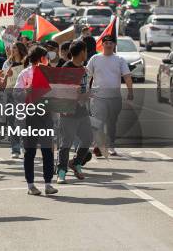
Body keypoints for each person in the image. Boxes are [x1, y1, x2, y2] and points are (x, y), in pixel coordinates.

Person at [14, 45, 58, 196]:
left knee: (47, 151)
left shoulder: (49, 73)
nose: (48, 60)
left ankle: (48, 184)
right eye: (46, 57)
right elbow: (16, 94)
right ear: (40, 58)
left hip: (46, 114)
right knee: (30, 151)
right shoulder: (25, 74)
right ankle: (31, 185)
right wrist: (27, 90)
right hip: (30, 116)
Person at [86, 35, 133, 156]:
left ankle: (111, 145)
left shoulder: (120, 59)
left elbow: (127, 76)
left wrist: (130, 91)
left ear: (114, 45)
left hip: (114, 98)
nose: (108, 45)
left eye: (111, 43)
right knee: (98, 122)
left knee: (112, 123)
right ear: (102, 44)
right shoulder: (95, 59)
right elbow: (88, 76)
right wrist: (86, 90)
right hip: (98, 98)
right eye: (106, 43)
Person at [57, 40, 93, 183]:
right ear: (81, 52)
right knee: (66, 142)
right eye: (85, 51)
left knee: (88, 138)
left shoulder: (83, 69)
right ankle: (61, 172)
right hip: (68, 111)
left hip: (82, 109)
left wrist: (87, 94)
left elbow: (84, 90)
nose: (87, 53)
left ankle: (76, 163)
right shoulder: (67, 68)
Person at [1, 42, 28, 159]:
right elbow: (3, 80)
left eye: (15, 48)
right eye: (12, 48)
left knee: (25, 122)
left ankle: (25, 144)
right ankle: (15, 148)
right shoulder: (7, 63)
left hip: (24, 96)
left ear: (21, 49)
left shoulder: (27, 63)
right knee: (12, 122)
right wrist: (6, 75)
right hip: (11, 95)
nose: (13, 50)